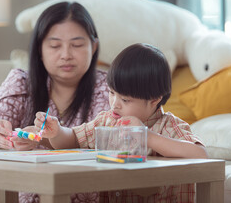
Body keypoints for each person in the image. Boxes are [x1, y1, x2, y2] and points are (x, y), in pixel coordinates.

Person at [0, 1, 110, 202]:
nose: (66, 55)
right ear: (39, 49)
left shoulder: (110, 89)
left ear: (94, 46)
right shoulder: (21, 83)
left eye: (77, 45)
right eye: (55, 45)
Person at [34, 43, 208, 202]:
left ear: (154, 99)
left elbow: (200, 154)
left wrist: (147, 136)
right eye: (111, 93)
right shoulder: (107, 120)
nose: (114, 103)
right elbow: (72, 139)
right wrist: (57, 132)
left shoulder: (168, 126)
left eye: (125, 100)